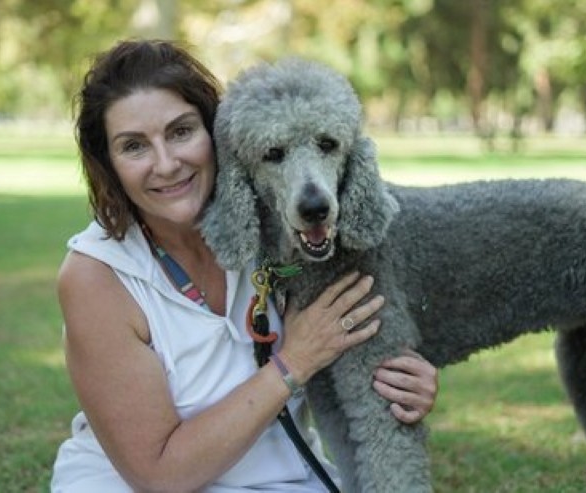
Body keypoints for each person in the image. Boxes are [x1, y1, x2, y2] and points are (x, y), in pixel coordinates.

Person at [51, 39, 439, 493]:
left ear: (219, 132)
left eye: (181, 131)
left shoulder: (282, 220)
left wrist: (406, 382)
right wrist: (294, 361)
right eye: (134, 146)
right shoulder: (96, 276)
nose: (167, 164)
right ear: (109, 164)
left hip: (286, 481)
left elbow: (358, 333)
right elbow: (158, 474)